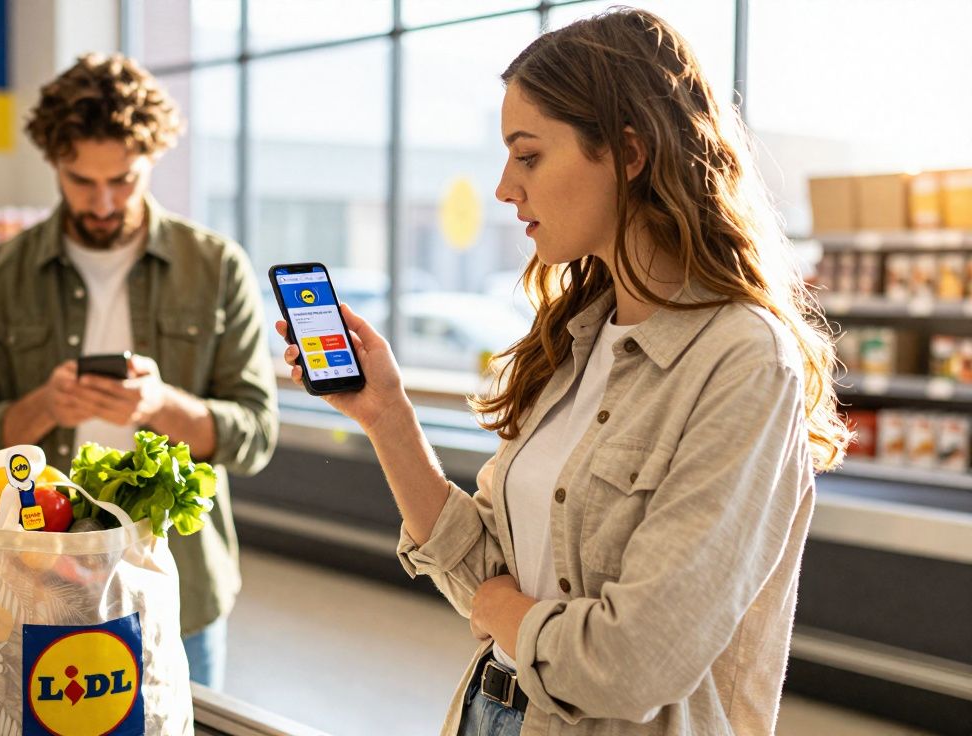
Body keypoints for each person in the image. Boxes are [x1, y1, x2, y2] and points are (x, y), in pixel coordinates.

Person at [277, 9, 847, 735]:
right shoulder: (574, 343)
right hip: (492, 713)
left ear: (629, 153)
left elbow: (634, 661)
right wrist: (387, 414)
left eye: (529, 155)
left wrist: (504, 612)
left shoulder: (740, 359)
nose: (504, 188)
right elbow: (485, 569)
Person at [0, 53, 279, 689]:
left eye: (123, 179)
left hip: (176, 584)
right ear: (53, 162)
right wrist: (46, 406)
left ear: (152, 157)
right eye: (80, 180)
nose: (102, 202)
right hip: (30, 576)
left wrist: (162, 407)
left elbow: (257, 435)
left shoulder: (216, 267)